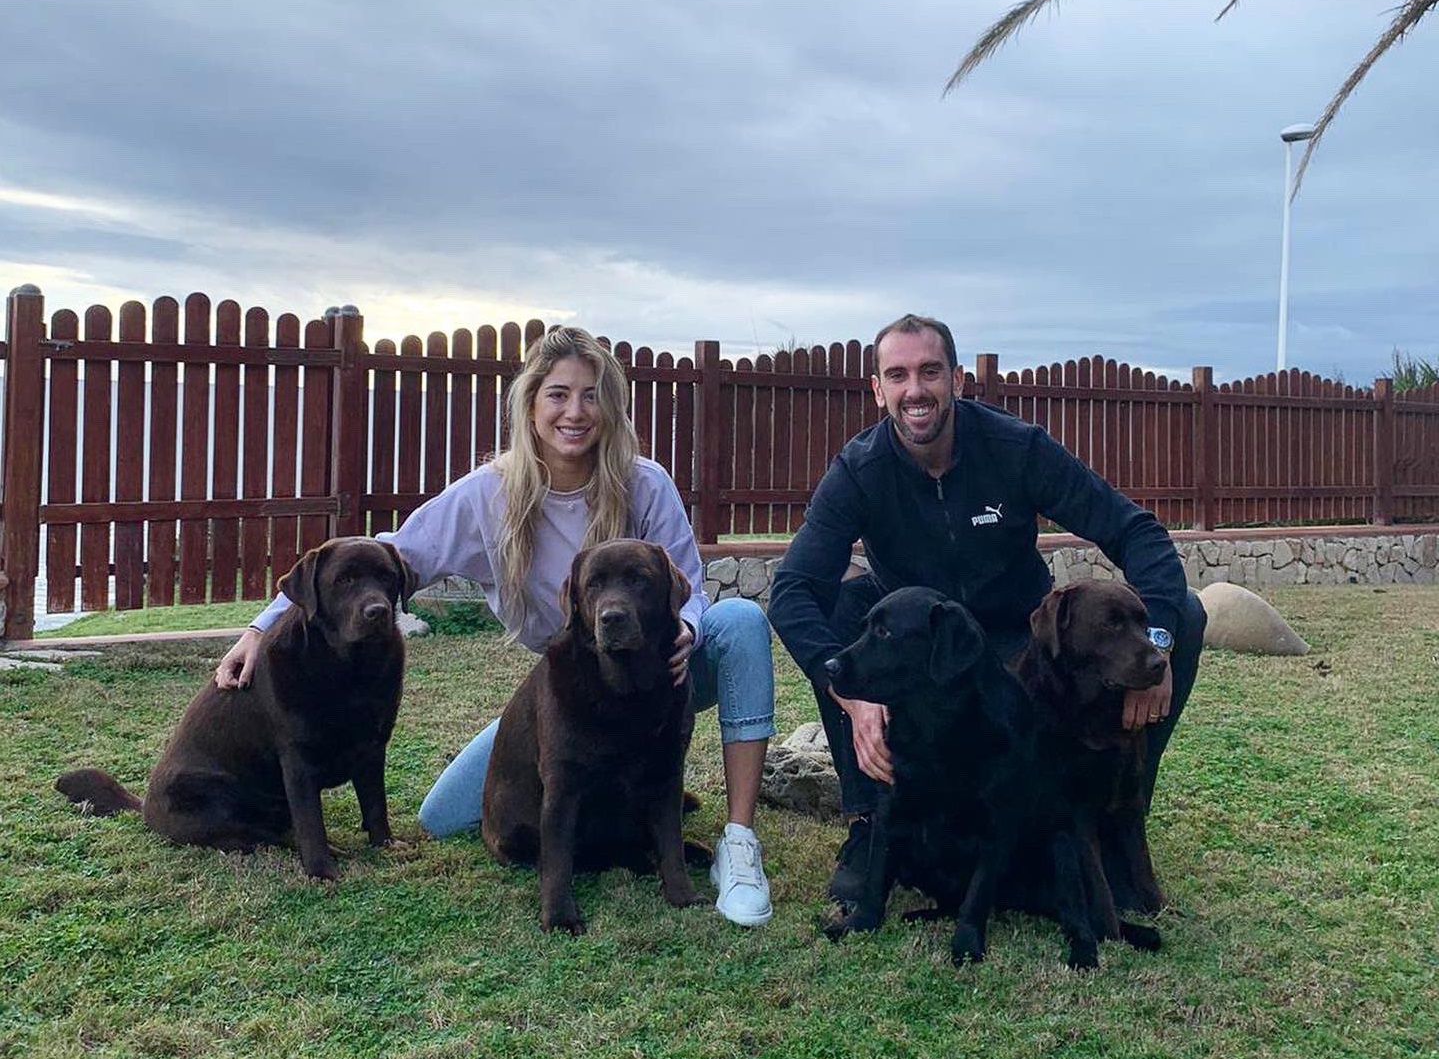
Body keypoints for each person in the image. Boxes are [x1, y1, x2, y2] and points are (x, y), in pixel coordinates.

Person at [216, 326, 776, 927]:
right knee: (444, 817)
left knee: (740, 619)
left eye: (591, 396)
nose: (575, 412)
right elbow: (388, 554)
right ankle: (625, 809)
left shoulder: (644, 481)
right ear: (531, 403)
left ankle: (739, 841)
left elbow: (687, 578)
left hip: (668, 674)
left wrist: (689, 630)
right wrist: (260, 626)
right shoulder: (489, 496)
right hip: (572, 693)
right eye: (558, 394)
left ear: (611, 407)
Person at [767, 312, 1205, 905]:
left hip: (1020, 648)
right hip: (926, 658)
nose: (915, 390)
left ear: (959, 380)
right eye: (897, 375)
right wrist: (851, 695)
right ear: (878, 390)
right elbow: (792, 588)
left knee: (1189, 615)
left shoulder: (1016, 448)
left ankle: (1115, 817)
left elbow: (1138, 533)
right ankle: (872, 820)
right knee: (847, 616)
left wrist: (1159, 639)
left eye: (930, 371)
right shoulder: (861, 470)